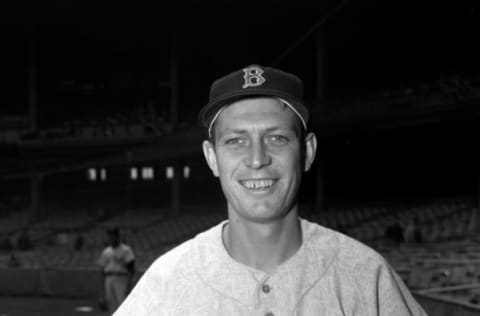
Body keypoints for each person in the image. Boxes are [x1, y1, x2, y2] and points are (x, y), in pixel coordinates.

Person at [114, 65, 427, 315]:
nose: (257, 158)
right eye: (236, 141)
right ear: (212, 158)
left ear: (307, 152)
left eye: (277, 138)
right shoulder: (166, 282)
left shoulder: (365, 275)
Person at [97, 227, 135, 314]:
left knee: (123, 303)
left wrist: (129, 284)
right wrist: (102, 288)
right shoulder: (106, 251)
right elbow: (101, 269)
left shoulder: (126, 250)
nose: (110, 238)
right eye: (109, 236)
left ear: (118, 237)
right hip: (109, 278)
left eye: (112, 236)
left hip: (121, 278)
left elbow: (131, 268)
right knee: (111, 304)